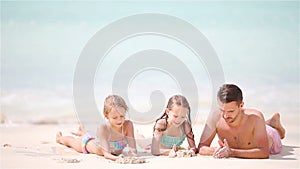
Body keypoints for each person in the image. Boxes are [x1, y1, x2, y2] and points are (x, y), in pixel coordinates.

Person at [198, 84, 285, 159]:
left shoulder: (256, 118)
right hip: (255, 129)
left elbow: (264, 152)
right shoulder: (215, 117)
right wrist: (216, 150)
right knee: (262, 127)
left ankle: (274, 125)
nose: (225, 116)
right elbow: (202, 147)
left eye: (230, 111)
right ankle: (269, 123)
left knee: (274, 132)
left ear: (241, 105)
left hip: (271, 137)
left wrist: (231, 152)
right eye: (222, 110)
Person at [56, 95, 137, 161]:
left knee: (91, 133)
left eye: (122, 116)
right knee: (71, 142)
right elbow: (107, 154)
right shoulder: (104, 128)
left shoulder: (128, 125)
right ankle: (59, 138)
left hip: (97, 136)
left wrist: (133, 155)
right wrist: (118, 158)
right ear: (106, 116)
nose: (119, 120)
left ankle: (82, 131)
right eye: (115, 118)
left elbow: (133, 149)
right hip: (88, 143)